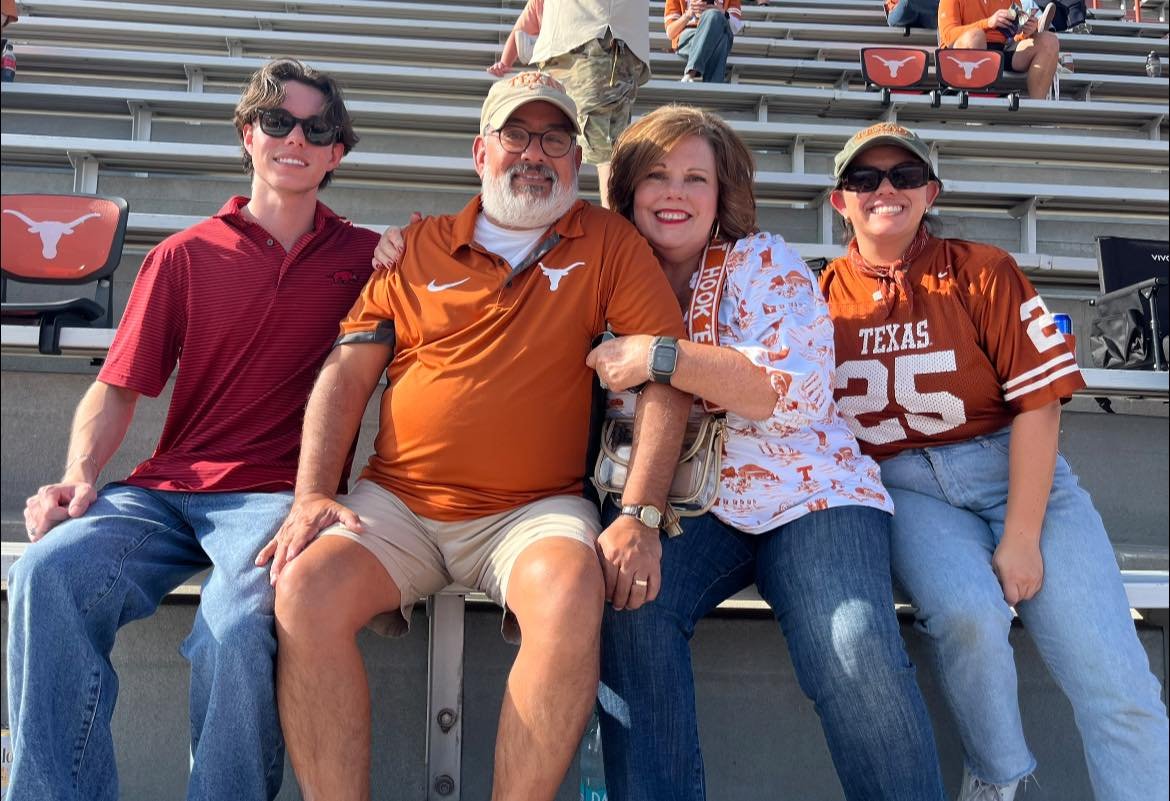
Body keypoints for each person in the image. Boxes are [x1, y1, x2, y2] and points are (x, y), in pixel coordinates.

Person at [263, 71, 691, 801]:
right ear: (480, 151)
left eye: (554, 138)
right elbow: (346, 374)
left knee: (571, 589)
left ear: (576, 157)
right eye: (516, 134)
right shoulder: (416, 245)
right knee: (303, 589)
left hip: (533, 508)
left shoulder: (607, 241)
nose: (535, 153)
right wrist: (311, 493)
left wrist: (642, 514)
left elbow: (666, 376)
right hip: (398, 502)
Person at [6, 58, 378, 801]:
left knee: (235, 627)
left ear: (337, 151)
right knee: (46, 573)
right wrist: (79, 475)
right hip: (167, 491)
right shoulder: (184, 254)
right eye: (278, 121)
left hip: (276, 497)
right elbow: (117, 388)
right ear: (248, 134)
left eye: (316, 129)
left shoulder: (368, 259)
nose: (295, 139)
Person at [584, 105, 948, 800]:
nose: (675, 193)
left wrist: (662, 355)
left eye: (696, 178)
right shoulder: (603, 274)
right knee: (630, 606)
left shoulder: (763, 260)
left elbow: (796, 391)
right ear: (628, 188)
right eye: (657, 175)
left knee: (852, 640)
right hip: (690, 505)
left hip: (810, 494)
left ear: (722, 193)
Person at [821, 121, 1170, 801]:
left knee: (1117, 681)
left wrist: (1022, 535)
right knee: (969, 615)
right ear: (841, 201)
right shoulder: (818, 296)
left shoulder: (982, 269)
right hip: (905, 488)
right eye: (865, 178)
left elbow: (1040, 405)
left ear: (930, 192)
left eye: (904, 176)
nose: (885, 189)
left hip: (1012, 469)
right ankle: (998, 775)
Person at [485, 0, 650, 209]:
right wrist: (505, 62)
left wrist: (506, 62)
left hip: (592, 40)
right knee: (562, 140)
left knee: (602, 147)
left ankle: (612, 223)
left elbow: (525, 23)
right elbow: (525, 23)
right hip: (574, 47)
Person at [938, 0, 1058, 99]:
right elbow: (948, 36)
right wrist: (988, 23)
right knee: (975, 36)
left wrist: (1027, 31)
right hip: (962, 56)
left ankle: (1036, 110)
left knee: (1049, 40)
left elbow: (1014, 36)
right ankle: (974, 104)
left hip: (1001, 51)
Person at [665, 0, 744, 83]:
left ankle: (691, 72)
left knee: (714, 16)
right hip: (689, 37)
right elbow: (670, 32)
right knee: (721, 39)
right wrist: (687, 15)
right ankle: (713, 87)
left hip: (718, 33)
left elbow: (736, 27)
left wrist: (723, 13)